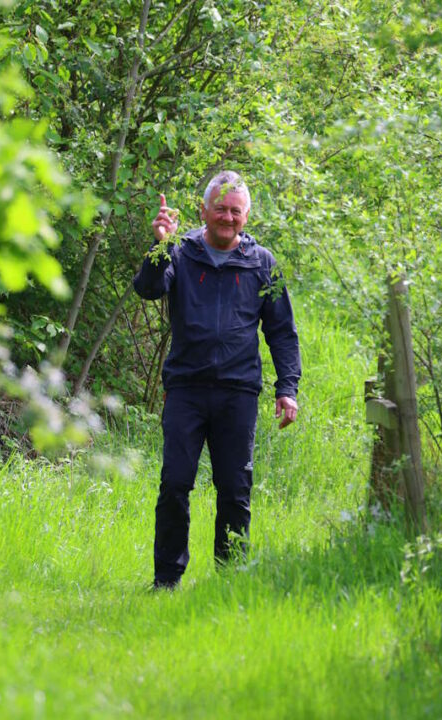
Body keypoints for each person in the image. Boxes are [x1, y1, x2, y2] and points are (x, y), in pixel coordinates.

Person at [133, 170, 301, 589]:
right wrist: (160, 246)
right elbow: (149, 289)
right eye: (221, 210)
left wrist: (288, 388)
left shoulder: (263, 263)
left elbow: (281, 331)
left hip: (238, 393)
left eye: (236, 211)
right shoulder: (180, 251)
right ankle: (166, 580)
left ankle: (231, 581)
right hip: (186, 389)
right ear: (203, 210)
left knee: (234, 490)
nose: (228, 218)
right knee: (174, 484)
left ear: (247, 216)